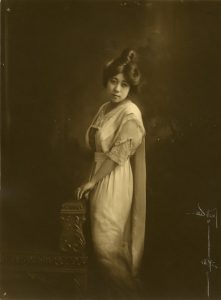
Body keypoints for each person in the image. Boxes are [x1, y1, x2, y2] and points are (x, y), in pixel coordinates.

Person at [76, 48, 146, 299]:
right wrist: (92, 179)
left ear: (131, 88)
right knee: (98, 248)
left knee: (107, 249)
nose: (117, 88)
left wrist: (93, 181)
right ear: (107, 81)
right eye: (113, 81)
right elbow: (95, 147)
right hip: (98, 177)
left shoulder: (130, 113)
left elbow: (117, 156)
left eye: (124, 84)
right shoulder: (106, 107)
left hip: (113, 180)